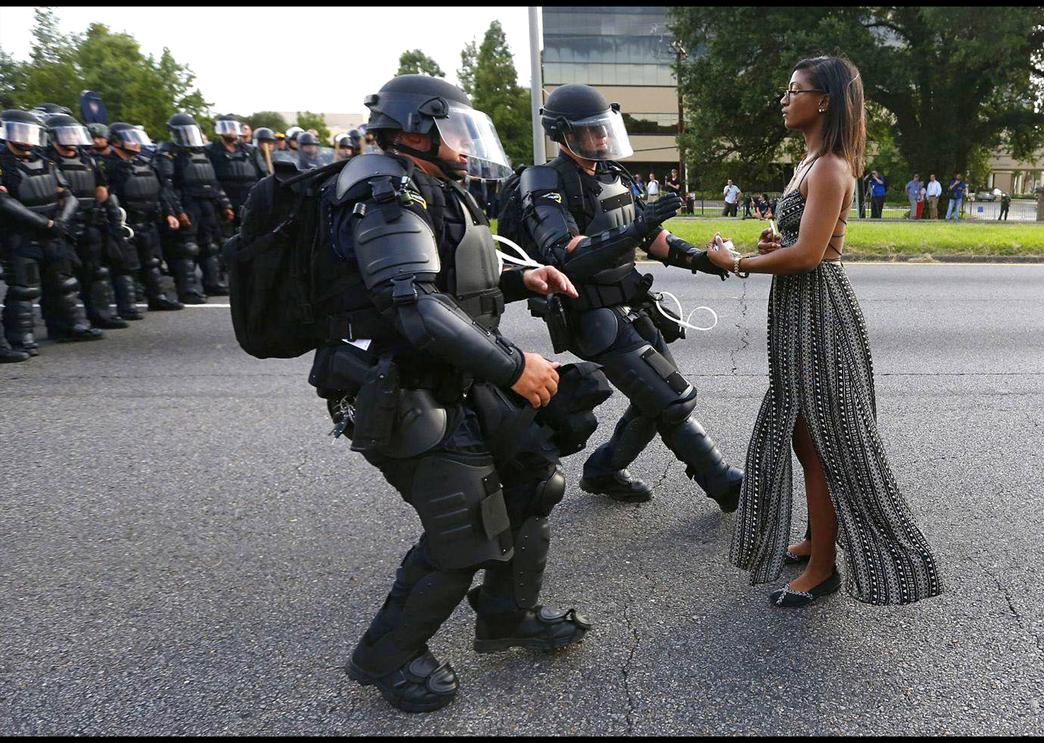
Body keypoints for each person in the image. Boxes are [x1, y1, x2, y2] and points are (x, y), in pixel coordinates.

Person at [319, 74, 596, 714]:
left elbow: (451, 273)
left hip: (448, 375)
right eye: (456, 131)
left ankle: (506, 615)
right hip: (396, 387)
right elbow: (414, 303)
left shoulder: (429, 188)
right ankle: (387, 656)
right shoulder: (382, 191)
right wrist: (512, 366)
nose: (468, 147)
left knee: (534, 478)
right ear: (418, 128)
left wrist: (527, 277)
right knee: (467, 526)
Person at [703, 55, 943, 607]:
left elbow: (811, 256)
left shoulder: (832, 166)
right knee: (802, 433)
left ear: (825, 101)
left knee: (825, 439)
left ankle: (824, 566)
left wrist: (736, 261)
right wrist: (771, 246)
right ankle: (818, 535)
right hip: (798, 311)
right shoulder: (808, 164)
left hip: (820, 313)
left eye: (795, 89)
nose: (785, 98)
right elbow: (799, 242)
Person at [519, 82, 744, 508]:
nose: (602, 137)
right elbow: (564, 253)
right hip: (592, 315)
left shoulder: (612, 175)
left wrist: (703, 260)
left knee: (655, 399)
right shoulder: (544, 180)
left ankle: (603, 470)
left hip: (632, 305)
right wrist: (637, 230)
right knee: (673, 399)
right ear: (563, 134)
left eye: (605, 128)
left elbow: (653, 236)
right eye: (591, 130)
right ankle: (724, 483)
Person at [0, 109, 104, 353]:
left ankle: (68, 327)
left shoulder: (47, 161)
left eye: (29, 132)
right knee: (24, 290)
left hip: (54, 232)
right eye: (20, 131)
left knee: (64, 283)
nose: (25, 138)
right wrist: (45, 224)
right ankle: (20, 338)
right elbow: (3, 202)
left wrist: (61, 222)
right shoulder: (2, 163)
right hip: (20, 235)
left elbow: (68, 194)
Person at [43, 113, 130, 330]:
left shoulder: (87, 159)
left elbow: (102, 191)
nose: (71, 138)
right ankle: (63, 324)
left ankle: (100, 315)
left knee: (95, 272)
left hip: (90, 223)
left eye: (74, 133)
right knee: (62, 279)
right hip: (62, 226)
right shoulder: (47, 160)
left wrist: (111, 219)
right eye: (66, 134)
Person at [102, 122, 185, 315]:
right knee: (125, 266)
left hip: (148, 221)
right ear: (116, 142)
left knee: (152, 262)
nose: (136, 143)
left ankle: (158, 298)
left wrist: (169, 213)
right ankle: (127, 307)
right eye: (130, 139)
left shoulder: (147, 163)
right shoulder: (108, 166)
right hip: (125, 223)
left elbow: (161, 191)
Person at [155, 112, 235, 302]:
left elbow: (213, 182)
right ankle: (188, 290)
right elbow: (167, 186)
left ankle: (213, 283)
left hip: (207, 203)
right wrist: (178, 211)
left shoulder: (202, 152)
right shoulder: (168, 154)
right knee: (187, 248)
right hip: (187, 202)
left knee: (211, 246)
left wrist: (225, 205)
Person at [205, 114, 263, 228]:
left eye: (232, 127)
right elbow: (209, 178)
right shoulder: (210, 150)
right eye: (225, 128)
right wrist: (223, 203)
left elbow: (263, 174)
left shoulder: (250, 150)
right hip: (224, 198)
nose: (230, 131)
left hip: (249, 198)